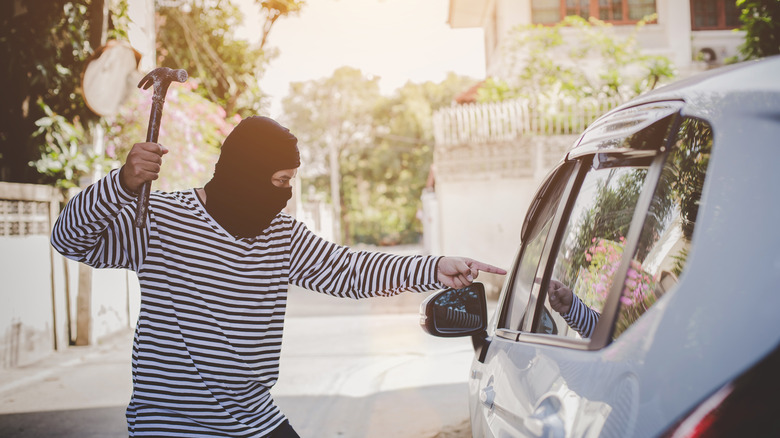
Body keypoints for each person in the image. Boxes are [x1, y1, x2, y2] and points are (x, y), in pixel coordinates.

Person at [51, 116, 506, 437]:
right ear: (244, 173)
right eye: (279, 180)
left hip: (253, 418)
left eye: (292, 181)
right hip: (172, 423)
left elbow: (348, 270)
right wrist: (123, 185)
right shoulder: (160, 221)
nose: (286, 196)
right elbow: (69, 239)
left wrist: (432, 267)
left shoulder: (280, 234)